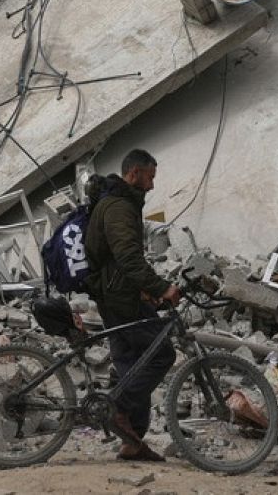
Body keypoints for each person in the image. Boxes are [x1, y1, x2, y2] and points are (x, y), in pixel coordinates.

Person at [84, 148, 180, 462]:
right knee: (161, 353)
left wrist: (143, 290)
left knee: (132, 363)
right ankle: (119, 409)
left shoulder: (119, 203)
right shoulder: (119, 206)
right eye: (150, 177)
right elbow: (127, 258)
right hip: (119, 297)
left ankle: (132, 441)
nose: (152, 185)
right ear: (134, 173)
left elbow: (118, 260)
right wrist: (161, 287)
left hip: (114, 294)